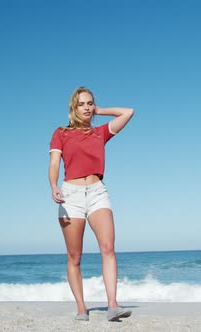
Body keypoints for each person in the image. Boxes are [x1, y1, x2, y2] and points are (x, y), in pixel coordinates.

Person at [48, 86, 134, 321]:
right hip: (70, 196)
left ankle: (113, 305)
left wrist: (101, 110)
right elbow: (55, 164)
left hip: (97, 193)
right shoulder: (61, 133)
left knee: (108, 248)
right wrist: (54, 186)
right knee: (74, 256)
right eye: (81, 104)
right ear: (73, 108)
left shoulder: (100, 133)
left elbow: (128, 112)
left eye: (89, 103)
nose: (86, 108)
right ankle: (82, 308)